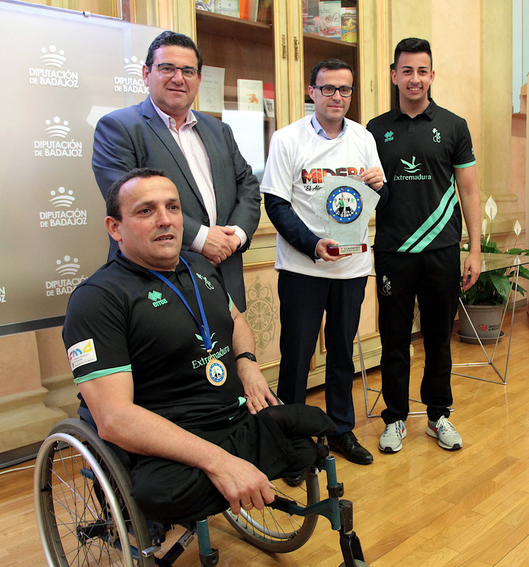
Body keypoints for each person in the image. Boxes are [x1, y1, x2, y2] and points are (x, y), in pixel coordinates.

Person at [62, 168, 335, 523]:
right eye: (146, 211)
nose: (165, 220)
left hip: (229, 417)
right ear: (115, 227)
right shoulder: (98, 299)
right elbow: (114, 419)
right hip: (168, 441)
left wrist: (248, 364)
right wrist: (219, 462)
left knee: (313, 429)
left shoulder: (199, 267)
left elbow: (236, 320)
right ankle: (253, 450)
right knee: (162, 493)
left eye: (173, 208)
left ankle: (251, 448)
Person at [260, 59, 387, 466]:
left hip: (351, 268)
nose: (337, 97)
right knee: (296, 357)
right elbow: (276, 204)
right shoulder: (287, 139)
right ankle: (291, 442)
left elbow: (379, 195)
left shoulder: (364, 138)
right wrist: (313, 245)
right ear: (311, 92)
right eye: (328, 89)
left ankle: (339, 431)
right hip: (303, 268)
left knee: (341, 352)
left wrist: (381, 187)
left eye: (345, 90)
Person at [367, 38, 481, 454]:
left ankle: (438, 416)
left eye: (422, 70)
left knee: (437, 339)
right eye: (406, 70)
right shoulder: (375, 129)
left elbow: (469, 192)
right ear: (394, 74)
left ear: (432, 75)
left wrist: (474, 249)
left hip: (442, 251)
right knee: (394, 339)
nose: (414, 78)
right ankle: (395, 418)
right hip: (393, 253)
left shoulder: (453, 126)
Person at [92, 31, 260, 312]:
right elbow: (130, 203)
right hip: (157, 284)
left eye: (188, 71)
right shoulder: (119, 128)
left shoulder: (219, 130)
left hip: (224, 276)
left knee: (230, 353)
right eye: (167, 68)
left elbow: (248, 186)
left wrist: (236, 236)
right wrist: (203, 238)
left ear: (198, 79)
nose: (178, 78)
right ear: (146, 74)